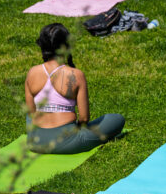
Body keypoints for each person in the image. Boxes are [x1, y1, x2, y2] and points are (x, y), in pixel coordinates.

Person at [25, 23, 125, 154]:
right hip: (67, 142)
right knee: (117, 119)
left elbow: (31, 113)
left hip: (35, 142)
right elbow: (84, 118)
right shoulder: (76, 75)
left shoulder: (32, 72)